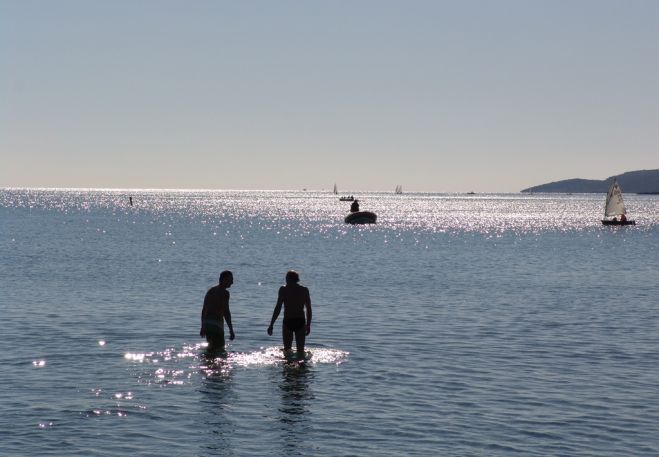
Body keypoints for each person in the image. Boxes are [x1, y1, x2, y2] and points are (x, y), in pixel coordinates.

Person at [267, 270, 312, 354]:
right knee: (300, 352)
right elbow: (308, 309)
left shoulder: (283, 289)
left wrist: (271, 324)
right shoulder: (304, 290)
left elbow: (278, 308)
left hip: (289, 321)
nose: (286, 281)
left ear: (290, 279)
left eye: (286, 278)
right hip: (299, 321)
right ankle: (301, 366)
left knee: (287, 351)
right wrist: (308, 324)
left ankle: (289, 365)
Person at [200, 270, 235, 350]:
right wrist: (231, 330)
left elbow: (204, 309)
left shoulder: (211, 291)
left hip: (208, 325)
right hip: (217, 326)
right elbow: (226, 313)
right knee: (220, 350)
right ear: (224, 279)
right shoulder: (225, 293)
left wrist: (202, 326)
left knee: (210, 349)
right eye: (231, 279)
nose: (232, 282)